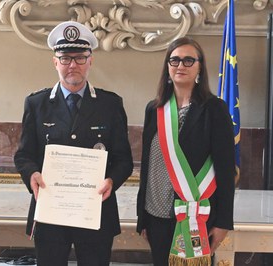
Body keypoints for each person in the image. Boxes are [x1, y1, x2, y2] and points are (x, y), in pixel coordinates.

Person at [14, 21, 133, 266]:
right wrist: (32, 174)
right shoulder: (36, 104)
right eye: (65, 58)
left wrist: (112, 180)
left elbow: (124, 159)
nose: (72, 65)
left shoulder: (110, 105)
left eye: (80, 58)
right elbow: (24, 155)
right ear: (55, 61)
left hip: (96, 213)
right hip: (50, 214)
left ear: (91, 60)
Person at [136, 36, 236, 266]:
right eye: (175, 60)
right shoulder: (154, 109)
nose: (181, 66)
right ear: (167, 67)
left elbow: (225, 169)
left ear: (200, 67)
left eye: (189, 60)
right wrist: (143, 217)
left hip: (196, 217)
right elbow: (148, 164)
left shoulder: (214, 109)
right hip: (156, 215)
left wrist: (223, 222)